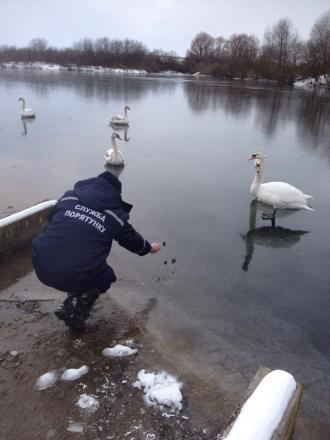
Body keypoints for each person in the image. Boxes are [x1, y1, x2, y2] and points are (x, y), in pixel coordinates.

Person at [32, 170, 161, 330]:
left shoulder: (68, 197)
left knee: (76, 260)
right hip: (70, 275)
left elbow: (51, 221)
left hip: (40, 264)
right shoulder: (115, 215)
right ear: (115, 194)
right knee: (107, 277)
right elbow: (132, 240)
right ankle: (76, 305)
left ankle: (74, 302)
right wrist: (149, 248)